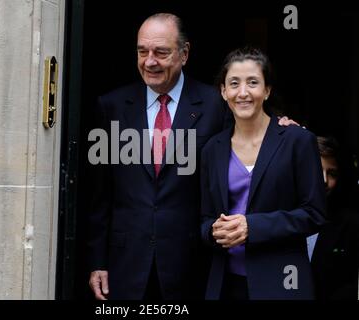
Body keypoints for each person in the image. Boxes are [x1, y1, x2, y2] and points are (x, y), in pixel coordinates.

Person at [87, 13, 295, 300]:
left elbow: (252, 138)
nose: (149, 61)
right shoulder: (111, 106)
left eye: (161, 52)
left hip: (193, 265)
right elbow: (101, 195)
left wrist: (281, 130)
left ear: (184, 54)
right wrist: (98, 261)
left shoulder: (217, 104)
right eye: (142, 51)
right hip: (126, 265)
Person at [200, 47, 326, 300]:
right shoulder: (212, 149)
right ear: (223, 91)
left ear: (267, 90)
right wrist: (213, 231)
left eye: (253, 82)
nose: (243, 92)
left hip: (282, 283)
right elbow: (204, 218)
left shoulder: (297, 141)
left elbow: (315, 214)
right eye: (234, 83)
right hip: (225, 284)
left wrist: (252, 227)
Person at [309, 136, 359, 300]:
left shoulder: (350, 224)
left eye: (332, 173)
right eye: (317, 170)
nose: (324, 180)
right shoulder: (278, 217)